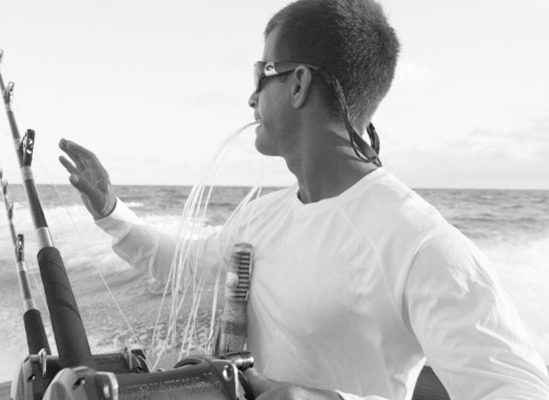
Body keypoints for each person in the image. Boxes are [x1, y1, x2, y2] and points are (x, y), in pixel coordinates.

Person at [59, 0, 549, 398]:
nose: (251, 98)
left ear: (298, 84)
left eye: (260, 73)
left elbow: (519, 389)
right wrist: (111, 213)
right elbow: (184, 267)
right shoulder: (260, 218)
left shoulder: (421, 243)